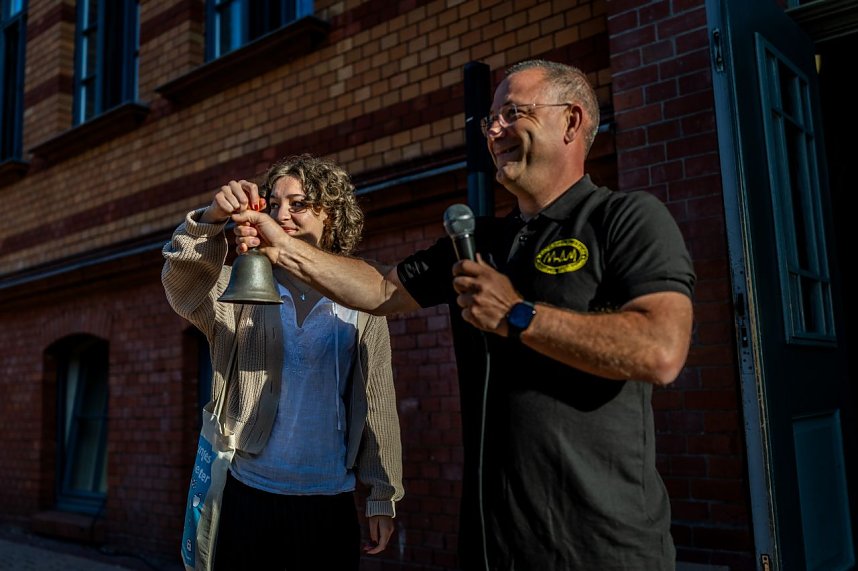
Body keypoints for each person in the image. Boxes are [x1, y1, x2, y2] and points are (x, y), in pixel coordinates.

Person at [230, 60, 695, 570]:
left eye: (513, 113)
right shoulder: (478, 241)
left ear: (571, 120)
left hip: (599, 545)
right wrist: (280, 248)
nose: (493, 131)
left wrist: (520, 315)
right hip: (492, 543)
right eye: (489, 120)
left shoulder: (624, 218)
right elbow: (381, 290)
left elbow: (661, 348)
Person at [161, 154, 404, 571]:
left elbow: (378, 402)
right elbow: (181, 285)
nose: (282, 214)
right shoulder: (242, 284)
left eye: (299, 204)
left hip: (329, 499)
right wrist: (210, 219)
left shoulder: (360, 295)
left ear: (331, 214)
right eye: (274, 204)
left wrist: (384, 493)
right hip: (249, 493)